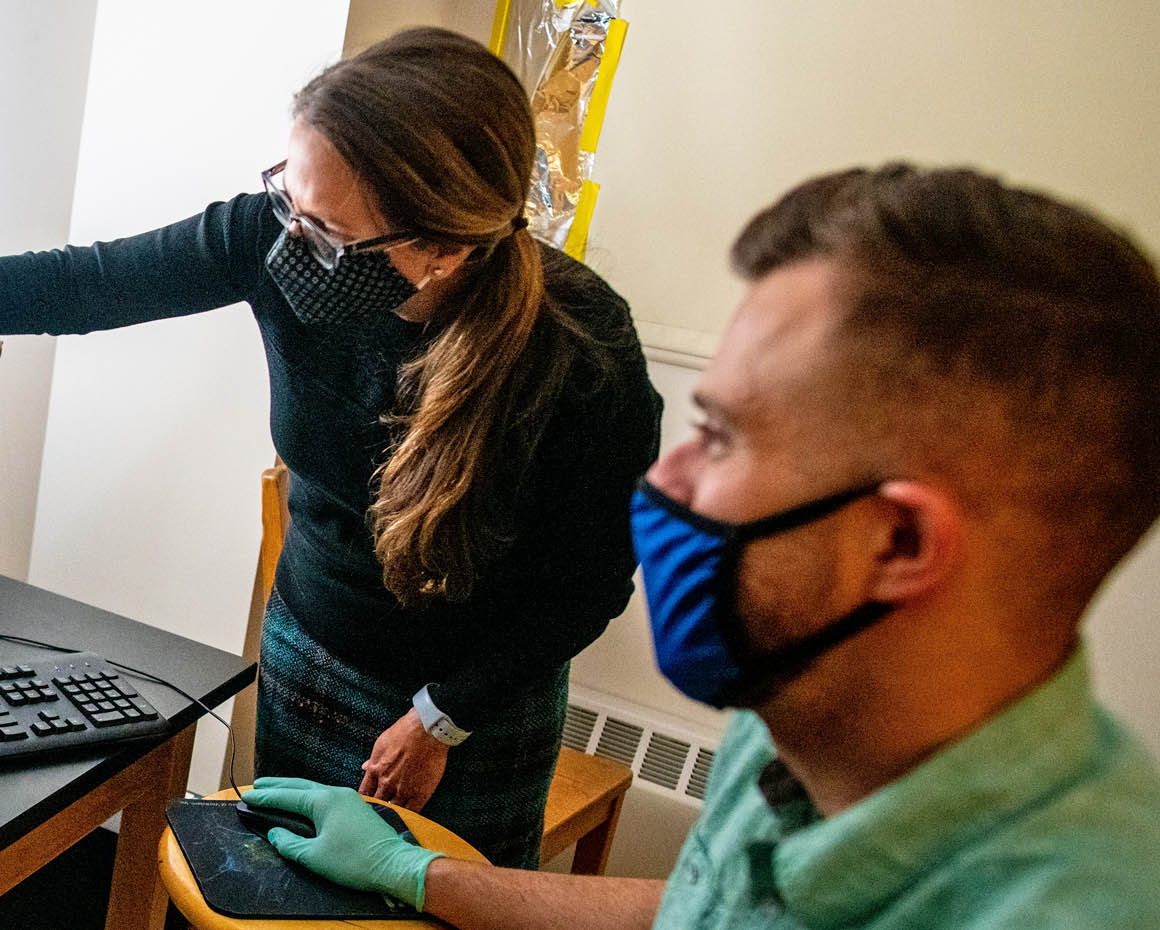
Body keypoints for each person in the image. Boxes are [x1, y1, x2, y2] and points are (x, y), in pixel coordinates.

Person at [0, 28, 662, 869]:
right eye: (285, 195)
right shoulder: (271, 235)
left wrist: (440, 716)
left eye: (324, 231)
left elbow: (586, 584)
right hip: (310, 647)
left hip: (472, 709)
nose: (286, 239)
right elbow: (82, 286)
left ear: (442, 247)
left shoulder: (579, 351)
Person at [240, 163, 1160, 928]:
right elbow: (702, 909)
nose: (666, 483)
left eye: (721, 438)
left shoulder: (1075, 907)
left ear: (902, 540)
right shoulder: (807, 714)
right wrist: (419, 878)